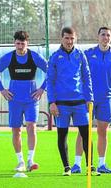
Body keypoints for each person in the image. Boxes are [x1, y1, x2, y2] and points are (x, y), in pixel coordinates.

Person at [71, 26, 111, 174]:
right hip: (87, 99)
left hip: (105, 99)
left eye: (108, 35)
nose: (105, 37)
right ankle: (77, 164)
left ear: (110, 38)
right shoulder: (88, 54)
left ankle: (102, 164)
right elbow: (77, 73)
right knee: (83, 131)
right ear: (98, 37)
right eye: (103, 35)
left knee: (103, 131)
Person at [46, 27, 99, 176]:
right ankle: (67, 168)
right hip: (61, 104)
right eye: (67, 38)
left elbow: (86, 77)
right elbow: (49, 81)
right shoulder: (55, 57)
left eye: (72, 39)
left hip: (80, 102)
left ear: (75, 39)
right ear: (61, 39)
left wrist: (90, 99)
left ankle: (90, 166)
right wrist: (52, 102)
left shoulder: (80, 55)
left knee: (86, 134)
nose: (69, 41)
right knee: (62, 135)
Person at [0, 31, 47, 172]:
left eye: (23, 43)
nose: (20, 46)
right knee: (16, 130)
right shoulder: (9, 57)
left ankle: (30, 160)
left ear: (27, 43)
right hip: (14, 99)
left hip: (31, 99)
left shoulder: (34, 56)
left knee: (31, 127)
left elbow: (51, 71)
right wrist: (2, 89)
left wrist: (42, 88)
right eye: (18, 43)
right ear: (14, 43)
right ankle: (20, 161)